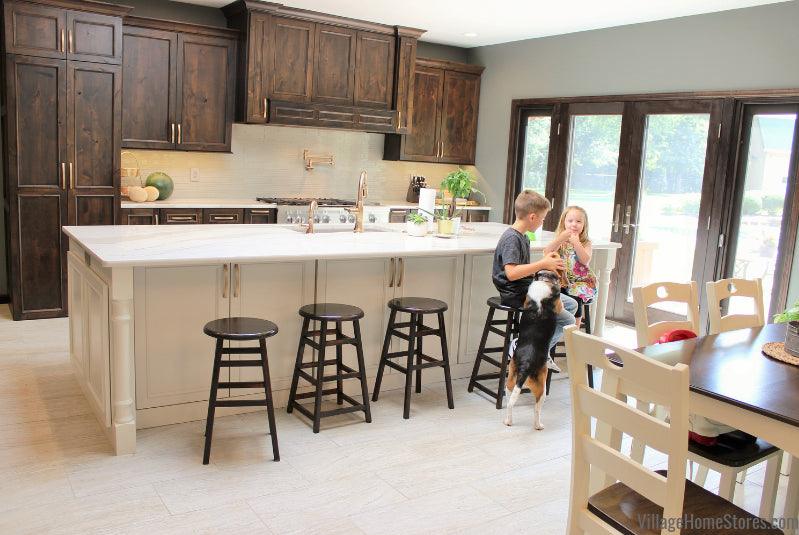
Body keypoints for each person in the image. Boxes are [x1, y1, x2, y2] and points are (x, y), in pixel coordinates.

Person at [493, 190, 577, 372]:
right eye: (543, 219)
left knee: (570, 305)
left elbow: (525, 270)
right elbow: (512, 273)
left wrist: (547, 266)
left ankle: (538, 350)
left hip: (527, 288)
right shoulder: (511, 238)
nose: (542, 223)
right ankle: (524, 346)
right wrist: (541, 264)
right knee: (568, 319)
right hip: (516, 294)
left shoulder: (524, 237)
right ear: (532, 217)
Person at [543, 206, 597, 330]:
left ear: (584, 225)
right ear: (564, 223)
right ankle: (554, 328)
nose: (574, 224)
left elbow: (585, 260)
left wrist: (576, 243)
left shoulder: (585, 243)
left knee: (576, 299)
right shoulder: (560, 241)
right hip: (561, 282)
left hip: (580, 283)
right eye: (570, 221)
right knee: (553, 296)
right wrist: (561, 238)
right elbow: (546, 253)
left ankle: (574, 332)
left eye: (579, 221)